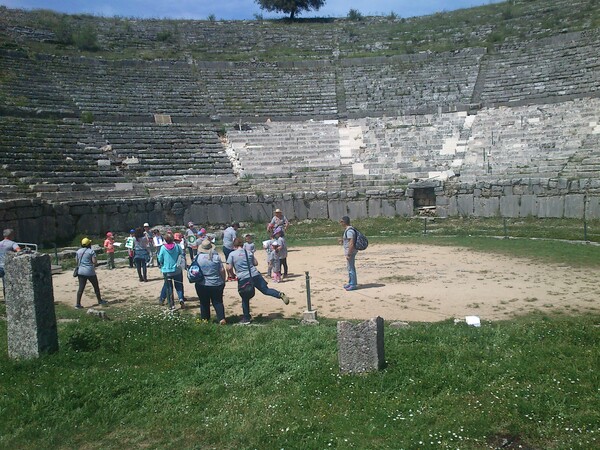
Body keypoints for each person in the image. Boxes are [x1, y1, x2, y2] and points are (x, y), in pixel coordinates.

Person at [227, 237, 289, 325]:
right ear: (242, 244)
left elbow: (229, 267)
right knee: (266, 290)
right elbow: (255, 263)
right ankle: (279, 294)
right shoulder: (248, 252)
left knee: (245, 298)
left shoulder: (232, 254)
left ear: (234, 246)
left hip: (244, 278)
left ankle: (246, 318)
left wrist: (232, 275)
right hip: (255, 274)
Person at [194, 239, 226, 324]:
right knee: (218, 301)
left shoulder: (197, 258)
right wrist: (223, 280)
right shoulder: (216, 257)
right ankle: (221, 318)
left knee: (204, 302)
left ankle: (205, 319)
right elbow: (222, 270)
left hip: (202, 283)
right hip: (216, 282)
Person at [75, 237, 107, 308]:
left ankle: (78, 304)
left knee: (81, 288)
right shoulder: (91, 251)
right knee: (95, 286)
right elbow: (94, 262)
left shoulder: (78, 251)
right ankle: (99, 300)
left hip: (81, 271)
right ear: (88, 244)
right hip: (89, 271)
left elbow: (77, 262)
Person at [157, 232, 185, 310]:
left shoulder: (163, 248)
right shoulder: (177, 246)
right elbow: (181, 254)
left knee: (169, 287)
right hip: (177, 269)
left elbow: (160, 258)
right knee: (179, 286)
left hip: (167, 271)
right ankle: (181, 299)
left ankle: (171, 305)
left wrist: (162, 263)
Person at [0, 229, 21, 297]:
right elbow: (18, 251)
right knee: (8, 284)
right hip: (7, 266)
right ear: (11, 235)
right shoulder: (13, 243)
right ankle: (8, 298)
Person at [339, 216, 358, 291]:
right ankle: (351, 283)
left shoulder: (349, 231)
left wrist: (349, 254)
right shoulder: (348, 230)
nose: (340, 223)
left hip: (350, 252)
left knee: (351, 268)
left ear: (344, 222)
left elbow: (351, 243)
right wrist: (342, 240)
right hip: (350, 251)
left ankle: (353, 284)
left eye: (341, 221)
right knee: (349, 267)